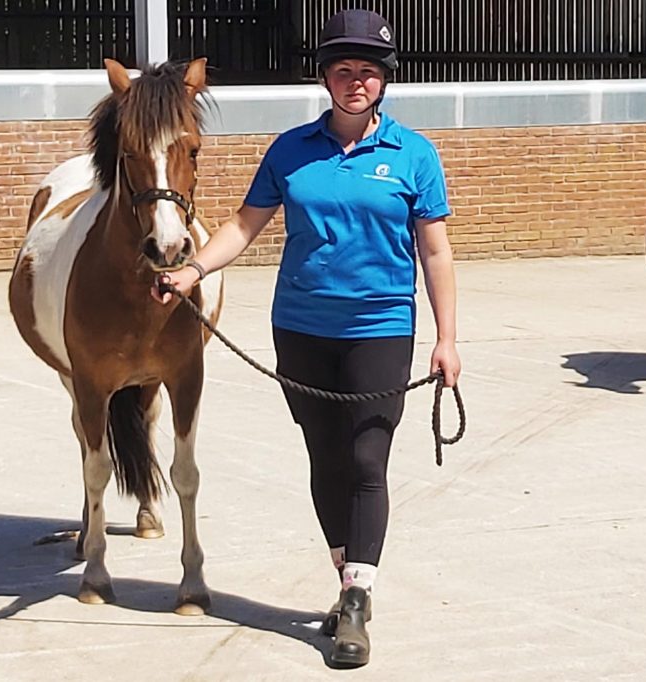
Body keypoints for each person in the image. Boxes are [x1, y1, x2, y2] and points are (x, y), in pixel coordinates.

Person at [152, 8, 460, 668]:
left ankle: (356, 600)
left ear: (384, 82)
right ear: (326, 78)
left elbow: (435, 253)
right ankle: (347, 577)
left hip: (381, 328)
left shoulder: (414, 155)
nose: (356, 82)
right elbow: (244, 225)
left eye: (369, 73)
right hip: (300, 329)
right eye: (344, 70)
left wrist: (447, 339)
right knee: (324, 459)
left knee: (367, 459)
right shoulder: (291, 150)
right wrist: (192, 270)